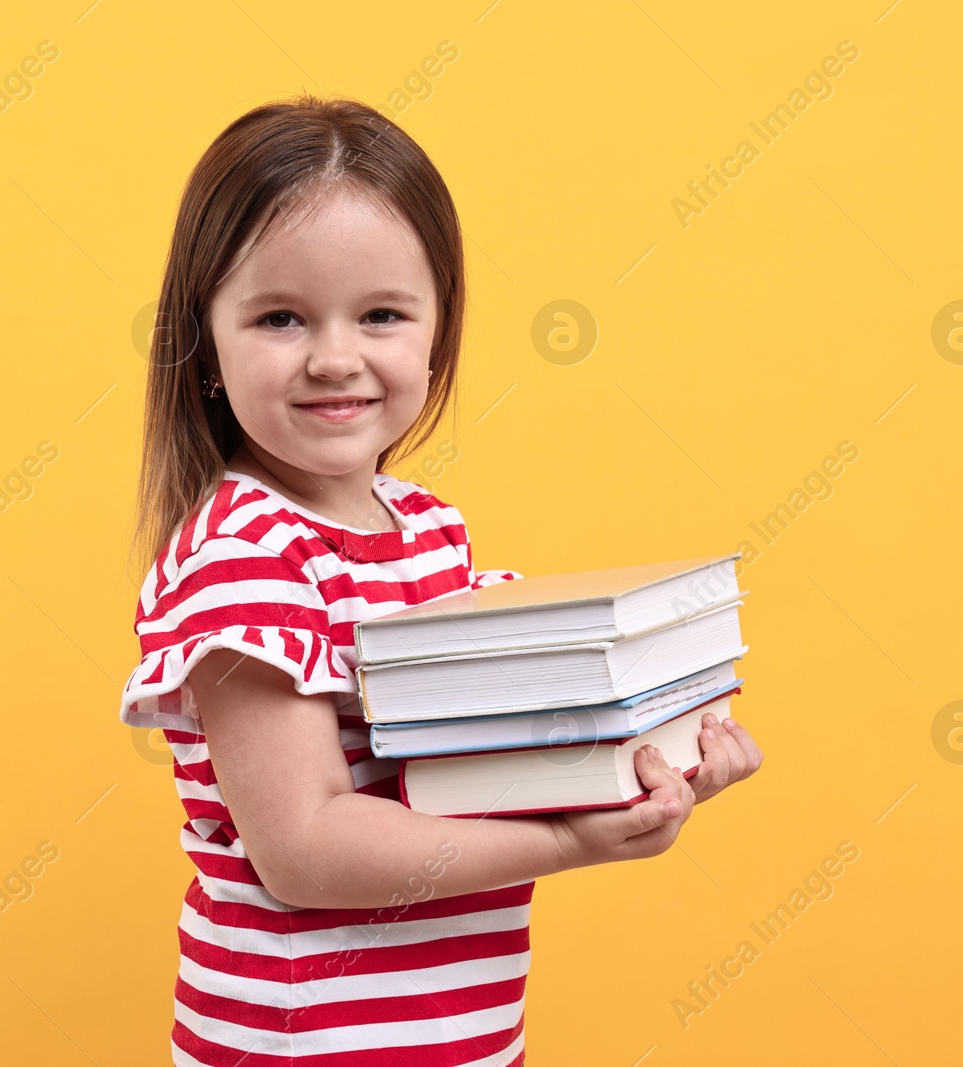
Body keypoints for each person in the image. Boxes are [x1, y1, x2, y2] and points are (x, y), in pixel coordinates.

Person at [119, 93, 762, 1067]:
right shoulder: (246, 555)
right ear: (205, 343)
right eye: (280, 317)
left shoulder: (427, 530)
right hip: (309, 1041)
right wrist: (570, 841)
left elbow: (476, 767)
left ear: (437, 328)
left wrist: (649, 758)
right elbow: (304, 851)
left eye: (379, 313)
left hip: (454, 1031)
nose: (335, 358)